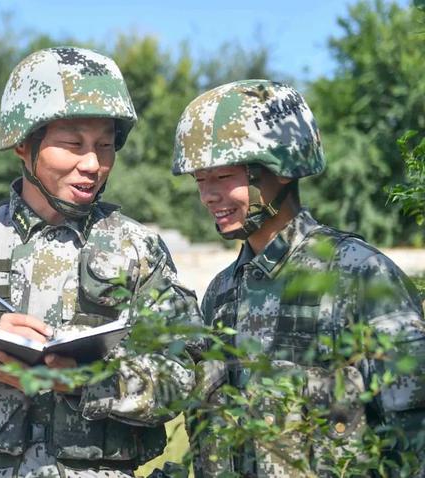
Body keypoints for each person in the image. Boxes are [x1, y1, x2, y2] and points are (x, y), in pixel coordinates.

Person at [0, 46, 203, 477]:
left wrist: (90, 381)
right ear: (23, 144)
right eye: (73, 144)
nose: (93, 164)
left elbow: (182, 375)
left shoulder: (138, 248)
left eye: (105, 145)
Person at [172, 79, 425, 476]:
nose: (207, 195)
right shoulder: (222, 292)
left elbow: (413, 439)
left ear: (283, 168)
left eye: (223, 177)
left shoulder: (359, 275)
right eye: (199, 180)